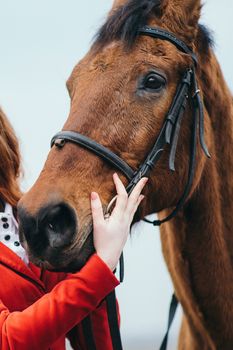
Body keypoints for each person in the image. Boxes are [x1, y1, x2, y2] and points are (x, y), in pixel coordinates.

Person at [0, 107, 147, 350]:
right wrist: (98, 272)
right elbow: (7, 339)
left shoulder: (37, 224)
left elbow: (98, 345)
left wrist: (94, 255)